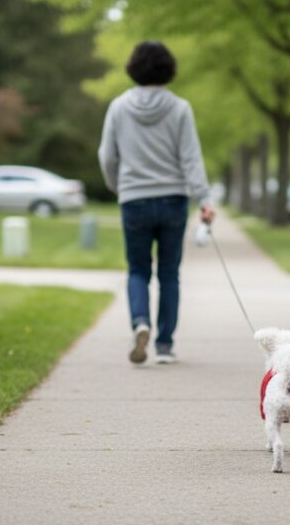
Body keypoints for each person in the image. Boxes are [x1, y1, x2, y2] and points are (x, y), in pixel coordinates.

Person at [98, 41, 216, 365]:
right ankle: (164, 345)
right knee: (169, 274)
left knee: (137, 270)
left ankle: (140, 322)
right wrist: (203, 199)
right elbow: (191, 158)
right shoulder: (180, 108)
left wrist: (117, 186)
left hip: (134, 199)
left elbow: (107, 156)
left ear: (134, 68)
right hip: (173, 200)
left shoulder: (119, 107)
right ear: (169, 69)